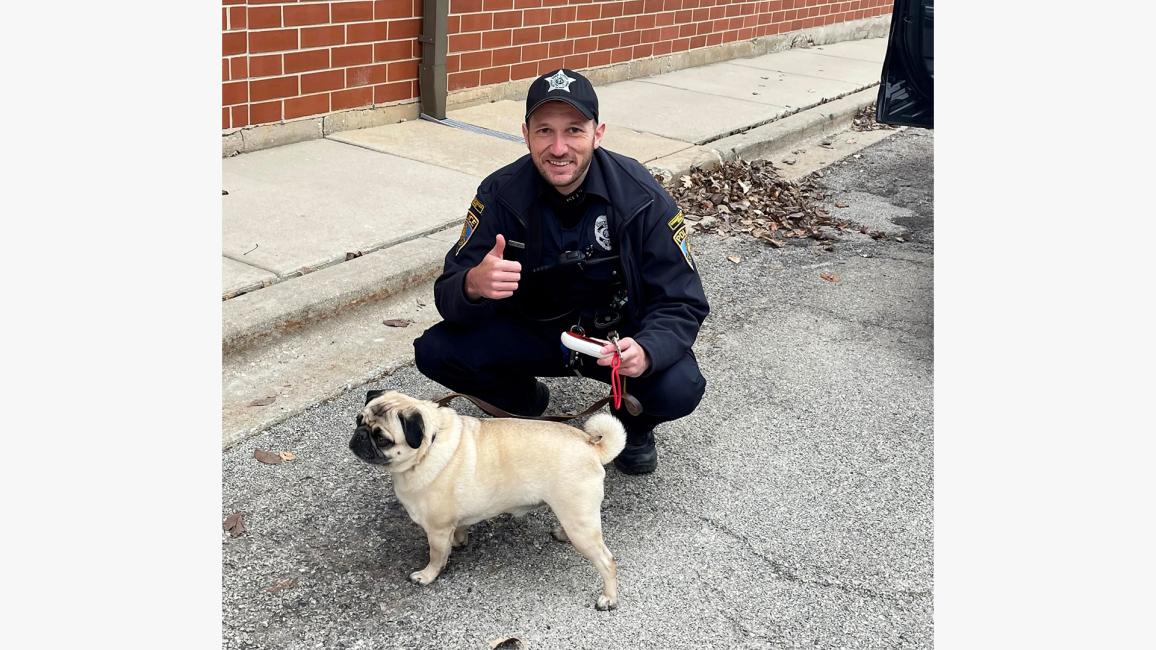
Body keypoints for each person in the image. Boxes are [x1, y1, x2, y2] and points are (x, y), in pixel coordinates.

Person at [413, 68, 708, 475]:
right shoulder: (500, 194)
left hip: (613, 341)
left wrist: (650, 349)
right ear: (526, 133)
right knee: (436, 350)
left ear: (598, 133)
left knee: (679, 386)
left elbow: (682, 299)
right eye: (544, 131)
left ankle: (631, 428)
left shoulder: (641, 198)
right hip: (535, 332)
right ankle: (522, 401)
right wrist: (472, 285)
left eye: (573, 130)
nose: (558, 147)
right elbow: (449, 291)